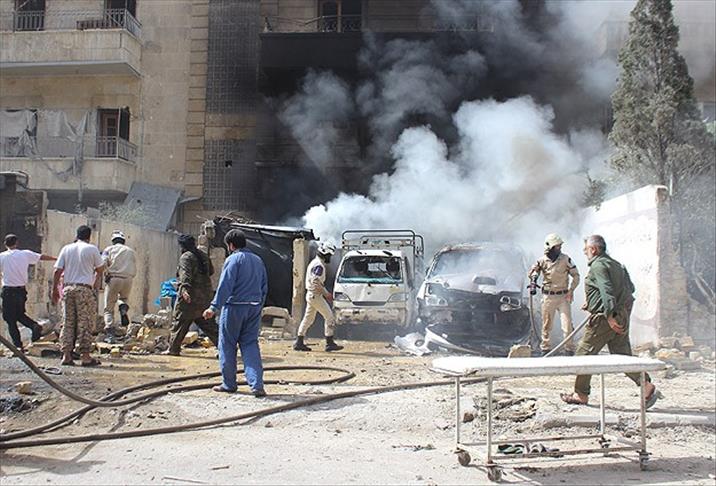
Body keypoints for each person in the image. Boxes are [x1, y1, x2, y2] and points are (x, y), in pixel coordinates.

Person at [560, 235, 660, 408]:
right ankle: (646, 385)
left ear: (593, 249)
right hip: (620, 315)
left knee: (584, 354)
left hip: (605, 319)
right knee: (622, 355)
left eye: (586, 249)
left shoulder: (598, 265)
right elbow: (630, 289)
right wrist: (594, 303)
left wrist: (609, 316)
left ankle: (581, 394)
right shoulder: (616, 264)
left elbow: (606, 291)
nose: (584, 252)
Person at [203, 229, 268, 396]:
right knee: (250, 344)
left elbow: (226, 285)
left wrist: (213, 307)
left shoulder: (233, 259)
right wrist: (258, 306)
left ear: (231, 245)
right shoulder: (258, 260)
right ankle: (257, 385)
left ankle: (229, 384)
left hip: (234, 307)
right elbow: (264, 286)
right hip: (254, 307)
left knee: (227, 345)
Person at [52, 225, 104, 367]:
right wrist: (96, 279)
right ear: (89, 236)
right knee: (85, 322)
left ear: (77, 235)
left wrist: (54, 290)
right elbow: (100, 267)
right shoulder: (92, 249)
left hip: (68, 288)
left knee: (67, 322)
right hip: (84, 289)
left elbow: (57, 271)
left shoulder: (66, 248)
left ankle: (66, 355)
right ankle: (85, 356)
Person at [165, 234, 219, 356]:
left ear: (182, 246)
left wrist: (185, 290)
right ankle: (226, 348)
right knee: (209, 326)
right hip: (205, 296)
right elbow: (211, 271)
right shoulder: (203, 255)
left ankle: (173, 349)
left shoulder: (186, 257)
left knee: (180, 323)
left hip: (190, 297)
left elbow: (185, 275)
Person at [0, 234, 56, 351]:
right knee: (19, 314)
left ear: (5, 244)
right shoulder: (25, 254)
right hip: (21, 291)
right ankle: (34, 326)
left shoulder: (2, 257)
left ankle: (18, 345)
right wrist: (56, 259)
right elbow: (41, 257)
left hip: (8, 291)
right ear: (17, 243)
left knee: (10, 319)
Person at [528, 233, 580, 356]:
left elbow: (576, 276)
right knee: (547, 325)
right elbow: (532, 273)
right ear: (550, 247)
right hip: (548, 297)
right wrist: (534, 279)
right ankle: (545, 349)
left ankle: (569, 349)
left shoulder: (565, 259)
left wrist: (571, 290)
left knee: (567, 325)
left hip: (563, 297)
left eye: (560, 246)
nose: (559, 248)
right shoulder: (542, 261)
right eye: (557, 246)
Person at [293, 243, 343, 352]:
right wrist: (326, 294)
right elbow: (316, 282)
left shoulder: (315, 263)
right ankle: (329, 342)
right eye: (329, 255)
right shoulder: (319, 265)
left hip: (312, 295)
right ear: (325, 254)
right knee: (329, 317)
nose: (330, 258)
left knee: (308, 319)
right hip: (315, 295)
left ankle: (299, 342)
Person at [101, 230, 137, 344]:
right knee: (123, 299)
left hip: (114, 278)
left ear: (113, 241)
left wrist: (106, 273)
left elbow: (103, 263)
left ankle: (110, 334)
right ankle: (123, 309)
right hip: (128, 279)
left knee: (108, 308)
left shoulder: (108, 249)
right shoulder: (130, 251)